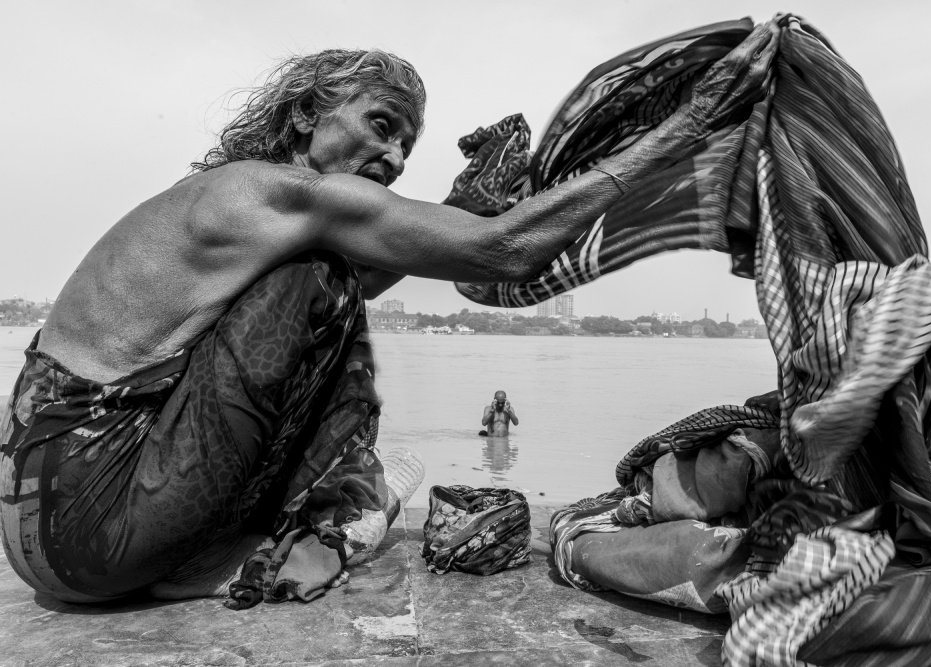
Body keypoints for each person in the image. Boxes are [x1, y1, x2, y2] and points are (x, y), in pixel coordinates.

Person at [0, 31, 774, 605]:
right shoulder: (277, 194)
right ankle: (325, 523)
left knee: (326, 287)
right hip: (94, 521)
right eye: (381, 124)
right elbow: (506, 252)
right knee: (321, 282)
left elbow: (350, 291)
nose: (397, 157)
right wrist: (688, 125)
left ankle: (288, 526)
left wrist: (455, 210)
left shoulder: (249, 205)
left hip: (45, 541)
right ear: (307, 115)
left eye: (407, 142)